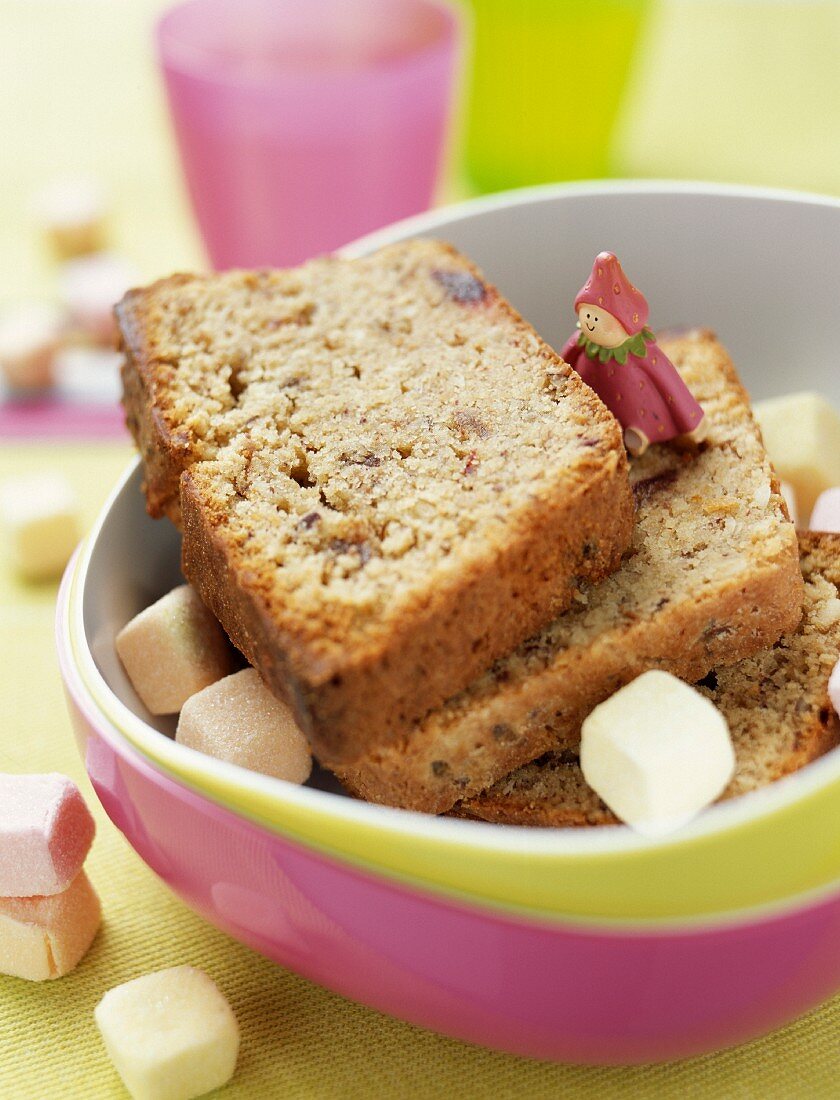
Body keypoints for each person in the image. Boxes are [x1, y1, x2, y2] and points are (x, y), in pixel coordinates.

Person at [561, 252, 705, 456]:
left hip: (634, 414)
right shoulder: (582, 341)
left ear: (626, 325)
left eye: (600, 319)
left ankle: (639, 434)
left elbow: (670, 384)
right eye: (588, 316)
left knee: (639, 421)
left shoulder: (641, 353)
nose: (591, 323)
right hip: (591, 401)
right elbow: (564, 362)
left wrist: (692, 420)